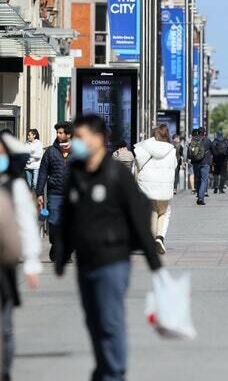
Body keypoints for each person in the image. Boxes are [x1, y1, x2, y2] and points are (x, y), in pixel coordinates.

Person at [56, 114, 162, 381]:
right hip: (86, 261)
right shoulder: (77, 173)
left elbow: (139, 215)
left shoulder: (117, 174)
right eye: (74, 137)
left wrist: (153, 260)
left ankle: (114, 373)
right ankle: (104, 368)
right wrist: (61, 253)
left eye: (81, 138)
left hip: (113, 260)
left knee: (110, 320)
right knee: (93, 320)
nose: (75, 142)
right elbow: (69, 216)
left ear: (100, 139)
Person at [0, 133, 42, 380]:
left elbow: (27, 223)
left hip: (4, 264)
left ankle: (4, 370)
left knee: (4, 325)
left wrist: (32, 263)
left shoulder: (15, 186)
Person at [134, 125, 177, 255]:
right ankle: (160, 238)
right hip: (164, 188)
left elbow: (137, 164)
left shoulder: (144, 147)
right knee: (164, 212)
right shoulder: (171, 150)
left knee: (152, 211)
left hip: (146, 186)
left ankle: (151, 240)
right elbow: (174, 165)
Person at [36, 121, 74, 261]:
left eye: (60, 132)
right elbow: (42, 173)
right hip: (55, 193)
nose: (58, 135)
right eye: (57, 132)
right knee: (54, 223)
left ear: (68, 134)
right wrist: (39, 193)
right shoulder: (50, 152)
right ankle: (56, 246)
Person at [188, 127, 215, 205]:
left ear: (198, 132)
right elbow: (214, 151)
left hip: (195, 162)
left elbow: (190, 152)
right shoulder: (207, 140)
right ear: (204, 133)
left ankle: (198, 194)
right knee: (204, 180)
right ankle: (201, 197)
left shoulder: (193, 140)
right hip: (205, 163)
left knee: (198, 179)